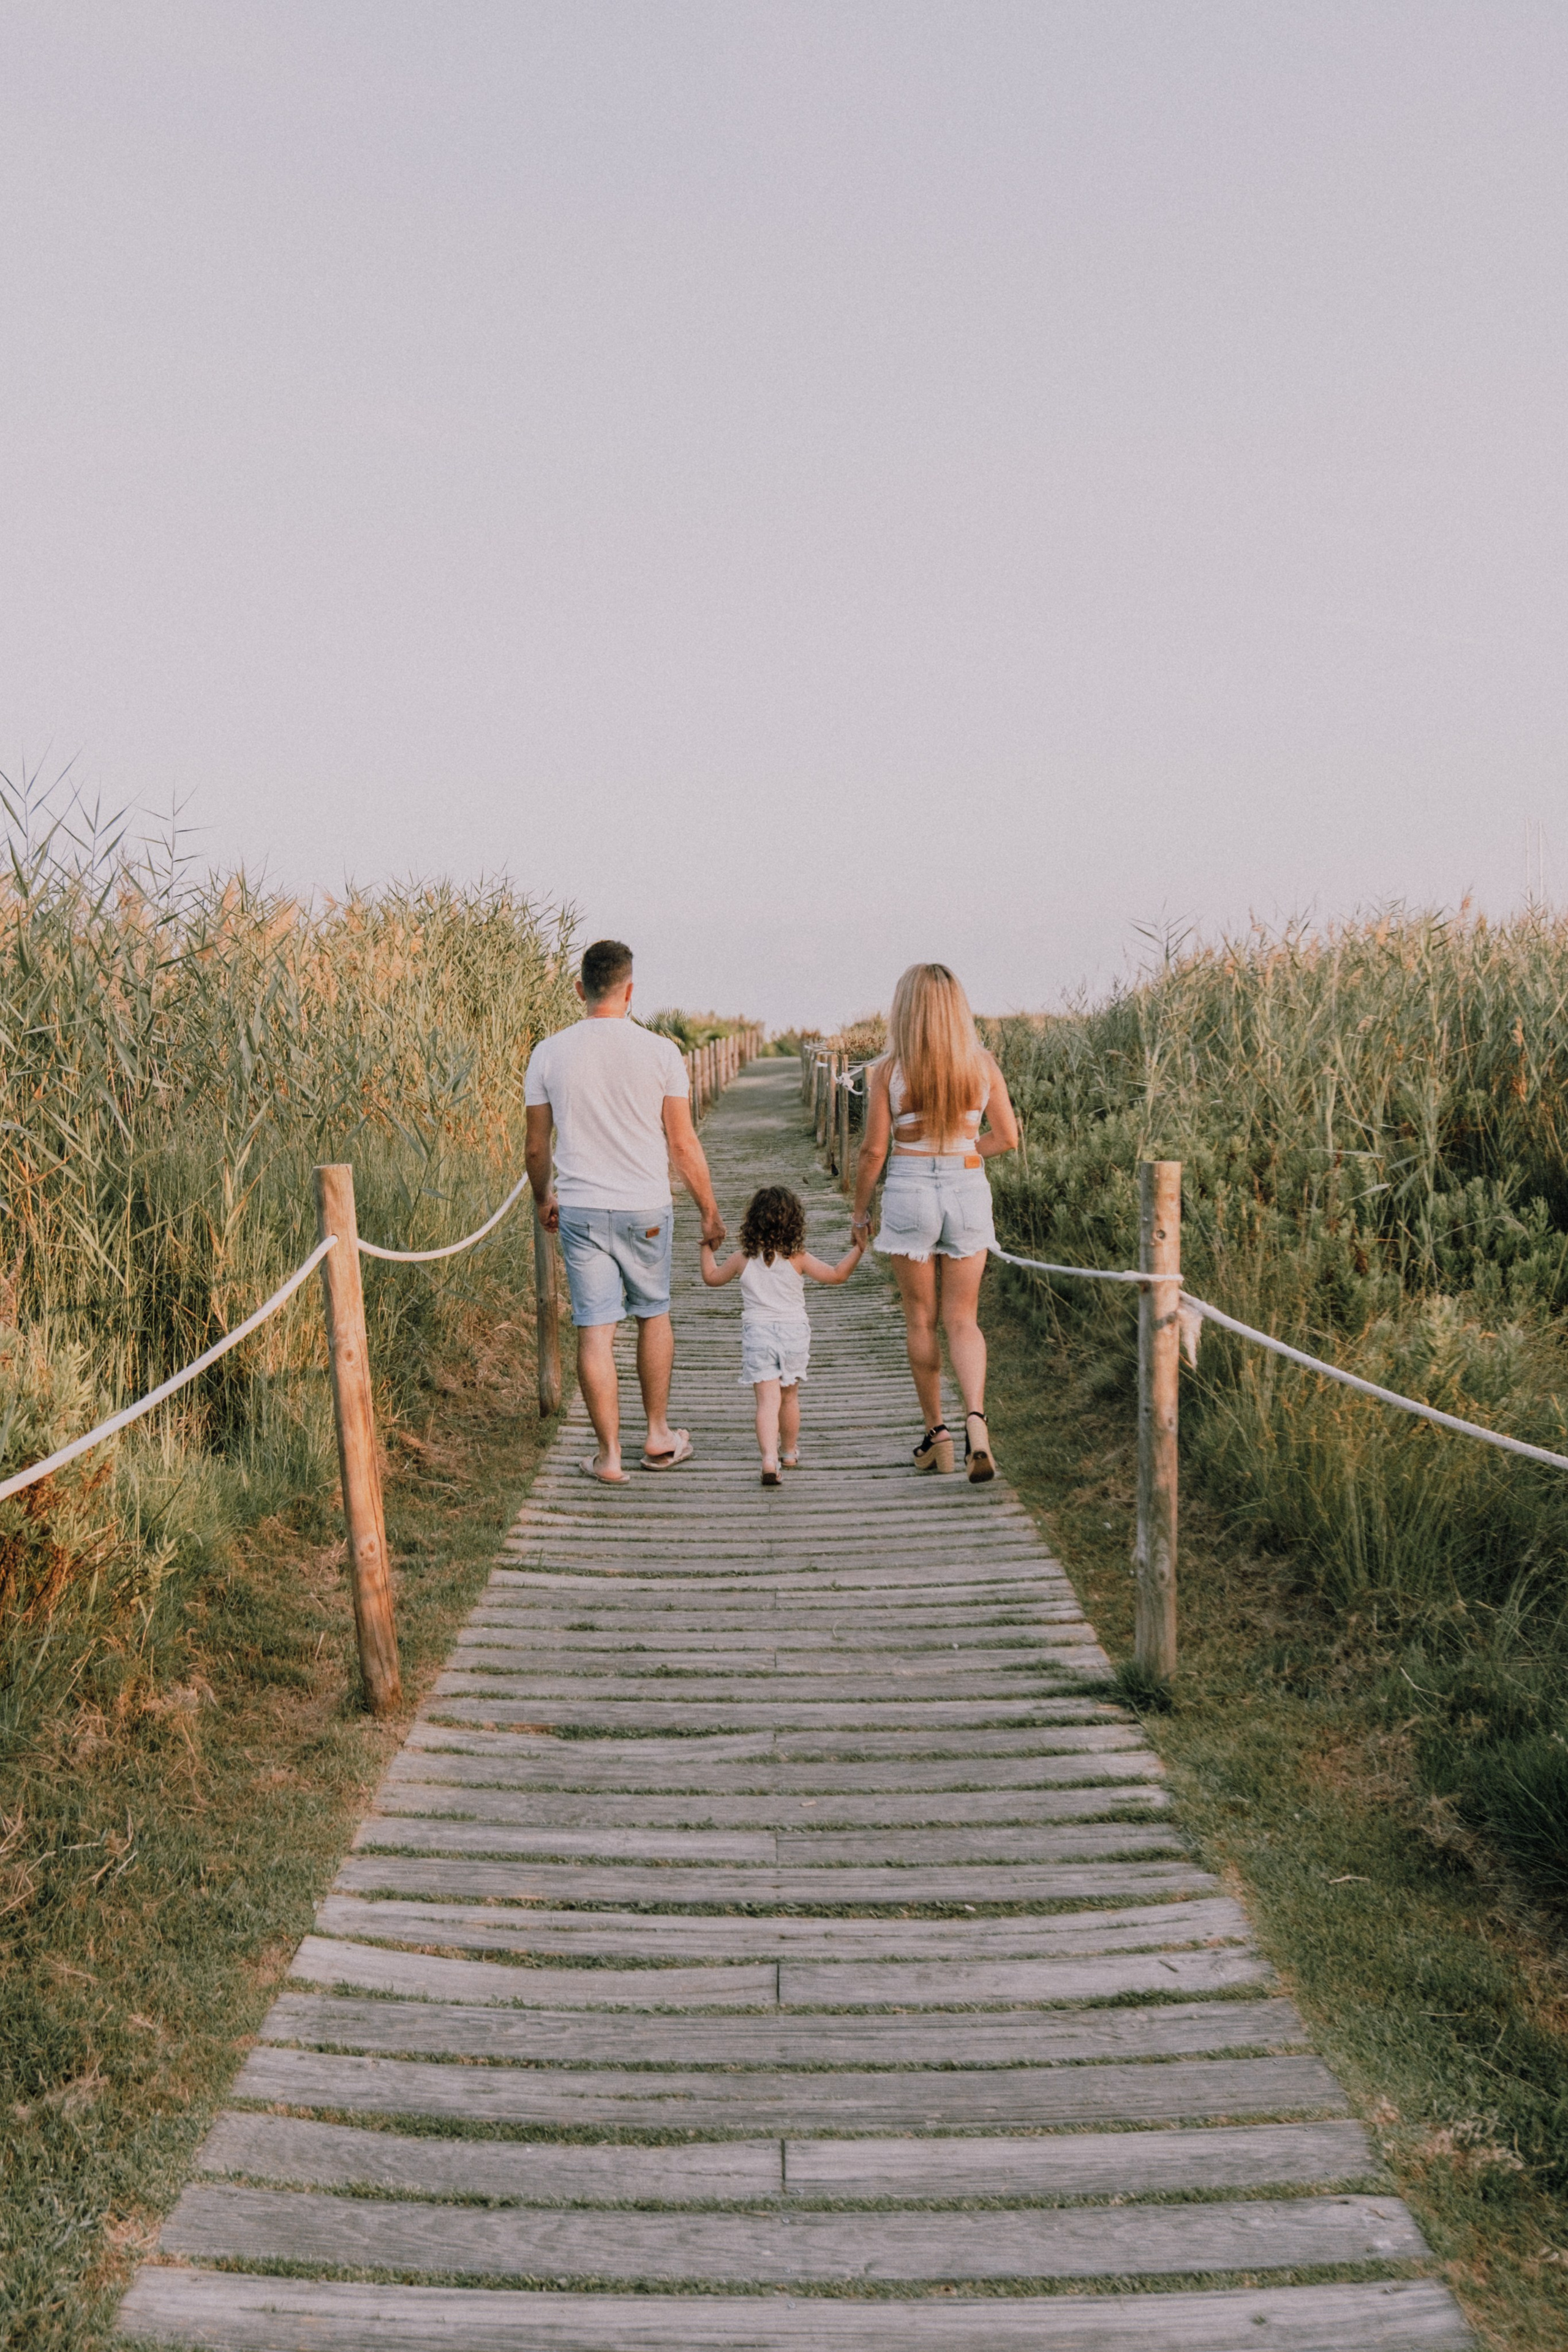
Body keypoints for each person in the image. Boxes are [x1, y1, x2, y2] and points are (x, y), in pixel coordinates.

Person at [524, 939, 725, 1483]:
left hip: (582, 1209)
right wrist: (710, 1210)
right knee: (653, 1312)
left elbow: (537, 1147)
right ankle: (658, 1437)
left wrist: (545, 1197)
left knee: (596, 1329)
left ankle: (609, 1456)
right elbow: (683, 1144)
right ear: (630, 991)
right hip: (646, 1208)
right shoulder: (661, 1053)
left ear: (579, 989)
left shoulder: (548, 1052)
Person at [850, 962, 1019, 1482]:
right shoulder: (982, 1064)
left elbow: (875, 1150)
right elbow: (1007, 1138)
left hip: (910, 1189)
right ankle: (977, 1421)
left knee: (920, 1318)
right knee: (963, 1319)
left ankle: (937, 1435)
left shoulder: (888, 1071)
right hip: (967, 1187)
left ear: (905, 1010)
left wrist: (861, 1211)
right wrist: (967, 1154)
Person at [701, 1185, 864, 1485]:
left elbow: (711, 1278)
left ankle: (768, 1459)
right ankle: (788, 1452)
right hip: (793, 1334)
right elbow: (837, 1276)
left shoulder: (741, 1258)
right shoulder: (797, 1258)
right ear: (794, 1223)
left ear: (751, 1222)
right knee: (789, 1398)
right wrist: (859, 1249)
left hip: (759, 1334)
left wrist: (706, 1247)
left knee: (767, 1402)